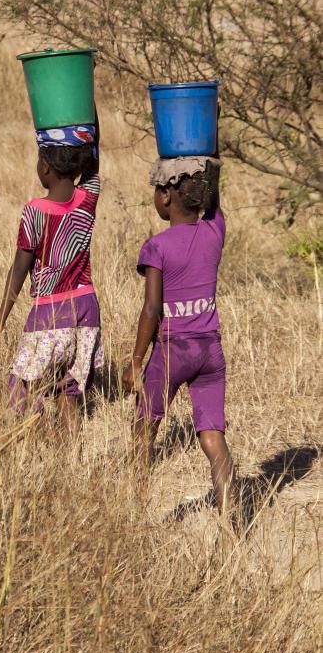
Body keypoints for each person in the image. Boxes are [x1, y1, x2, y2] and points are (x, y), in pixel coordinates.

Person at [122, 152, 235, 519]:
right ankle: (229, 521)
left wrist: (136, 361)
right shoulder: (213, 232)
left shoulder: (157, 246)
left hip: (173, 352)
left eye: (157, 190)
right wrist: (208, 147)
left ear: (168, 195)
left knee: (144, 430)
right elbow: (213, 194)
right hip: (210, 351)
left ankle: (135, 511)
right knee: (213, 437)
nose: (155, 197)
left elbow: (152, 309)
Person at [0, 123, 103, 431]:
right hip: (87, 308)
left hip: (51, 311)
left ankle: (39, 444)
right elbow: (94, 157)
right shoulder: (88, 199)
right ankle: (70, 455)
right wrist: (87, 118)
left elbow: (19, 268)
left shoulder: (35, 210)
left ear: (44, 167)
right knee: (67, 390)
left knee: (20, 388)